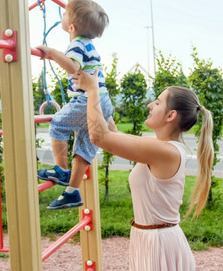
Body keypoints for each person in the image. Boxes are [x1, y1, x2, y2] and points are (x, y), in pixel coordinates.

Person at [75, 70, 214, 270]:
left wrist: (92, 89)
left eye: (157, 102)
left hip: (159, 243)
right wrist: (101, 96)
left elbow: (99, 137)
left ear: (170, 115)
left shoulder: (166, 151)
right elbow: (113, 135)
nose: (150, 105)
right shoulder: (159, 147)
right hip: (148, 237)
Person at [35, 0, 114, 210]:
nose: (62, 18)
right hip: (101, 99)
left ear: (71, 27)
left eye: (64, 15)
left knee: (58, 126)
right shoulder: (90, 46)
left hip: (86, 99)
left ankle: (61, 169)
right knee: (84, 148)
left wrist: (51, 53)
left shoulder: (77, 44)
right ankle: (72, 191)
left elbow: (72, 67)